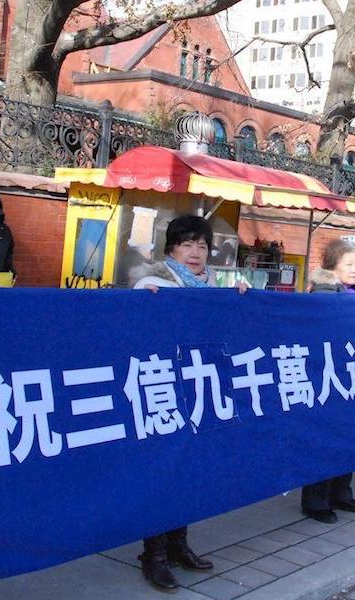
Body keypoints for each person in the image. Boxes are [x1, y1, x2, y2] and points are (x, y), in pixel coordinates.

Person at [131, 215, 246, 591]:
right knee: (164, 471)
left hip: (197, 390)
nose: (196, 253)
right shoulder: (153, 283)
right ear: (171, 249)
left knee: (190, 470)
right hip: (162, 391)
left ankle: (179, 544)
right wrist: (140, 303)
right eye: (187, 245)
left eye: (202, 246)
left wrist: (242, 298)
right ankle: (154, 554)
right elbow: (132, 329)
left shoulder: (213, 285)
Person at [299, 240, 355, 524]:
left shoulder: (354, 293)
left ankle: (341, 491)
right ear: (332, 267)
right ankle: (316, 500)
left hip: (349, 375)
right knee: (324, 439)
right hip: (325, 377)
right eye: (349, 264)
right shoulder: (325, 293)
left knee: (348, 435)